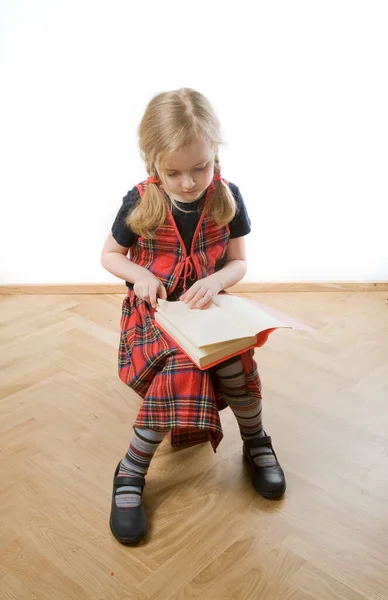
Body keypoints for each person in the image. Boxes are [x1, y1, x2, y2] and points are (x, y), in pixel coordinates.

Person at [101, 88, 285, 545]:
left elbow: (239, 262)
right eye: (174, 172)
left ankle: (256, 440)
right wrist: (140, 274)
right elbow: (109, 255)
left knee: (236, 360)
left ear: (214, 154)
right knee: (182, 369)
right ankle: (131, 470)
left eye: (200, 168)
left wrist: (219, 281)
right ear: (153, 165)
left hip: (208, 310)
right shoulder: (140, 200)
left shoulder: (226, 196)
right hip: (157, 315)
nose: (188, 182)